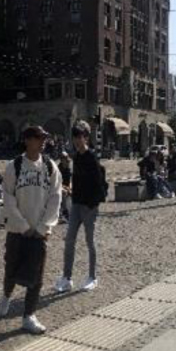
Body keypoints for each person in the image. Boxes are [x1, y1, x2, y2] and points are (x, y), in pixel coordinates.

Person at [0, 125, 62, 335]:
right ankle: (7, 295)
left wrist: (44, 226)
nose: (42, 141)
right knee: (11, 269)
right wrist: (23, 226)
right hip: (17, 230)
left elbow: (56, 197)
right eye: (38, 137)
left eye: (44, 138)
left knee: (37, 276)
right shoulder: (14, 166)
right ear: (27, 140)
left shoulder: (51, 167)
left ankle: (29, 316)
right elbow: (8, 198)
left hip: (40, 231)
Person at [57, 122, 106, 294]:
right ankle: (67, 278)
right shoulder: (76, 156)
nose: (78, 140)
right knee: (69, 240)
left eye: (81, 136)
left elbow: (98, 183)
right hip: (76, 204)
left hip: (89, 206)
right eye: (75, 137)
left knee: (89, 242)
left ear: (86, 137)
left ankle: (92, 277)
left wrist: (93, 205)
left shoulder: (92, 157)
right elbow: (77, 179)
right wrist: (70, 189)